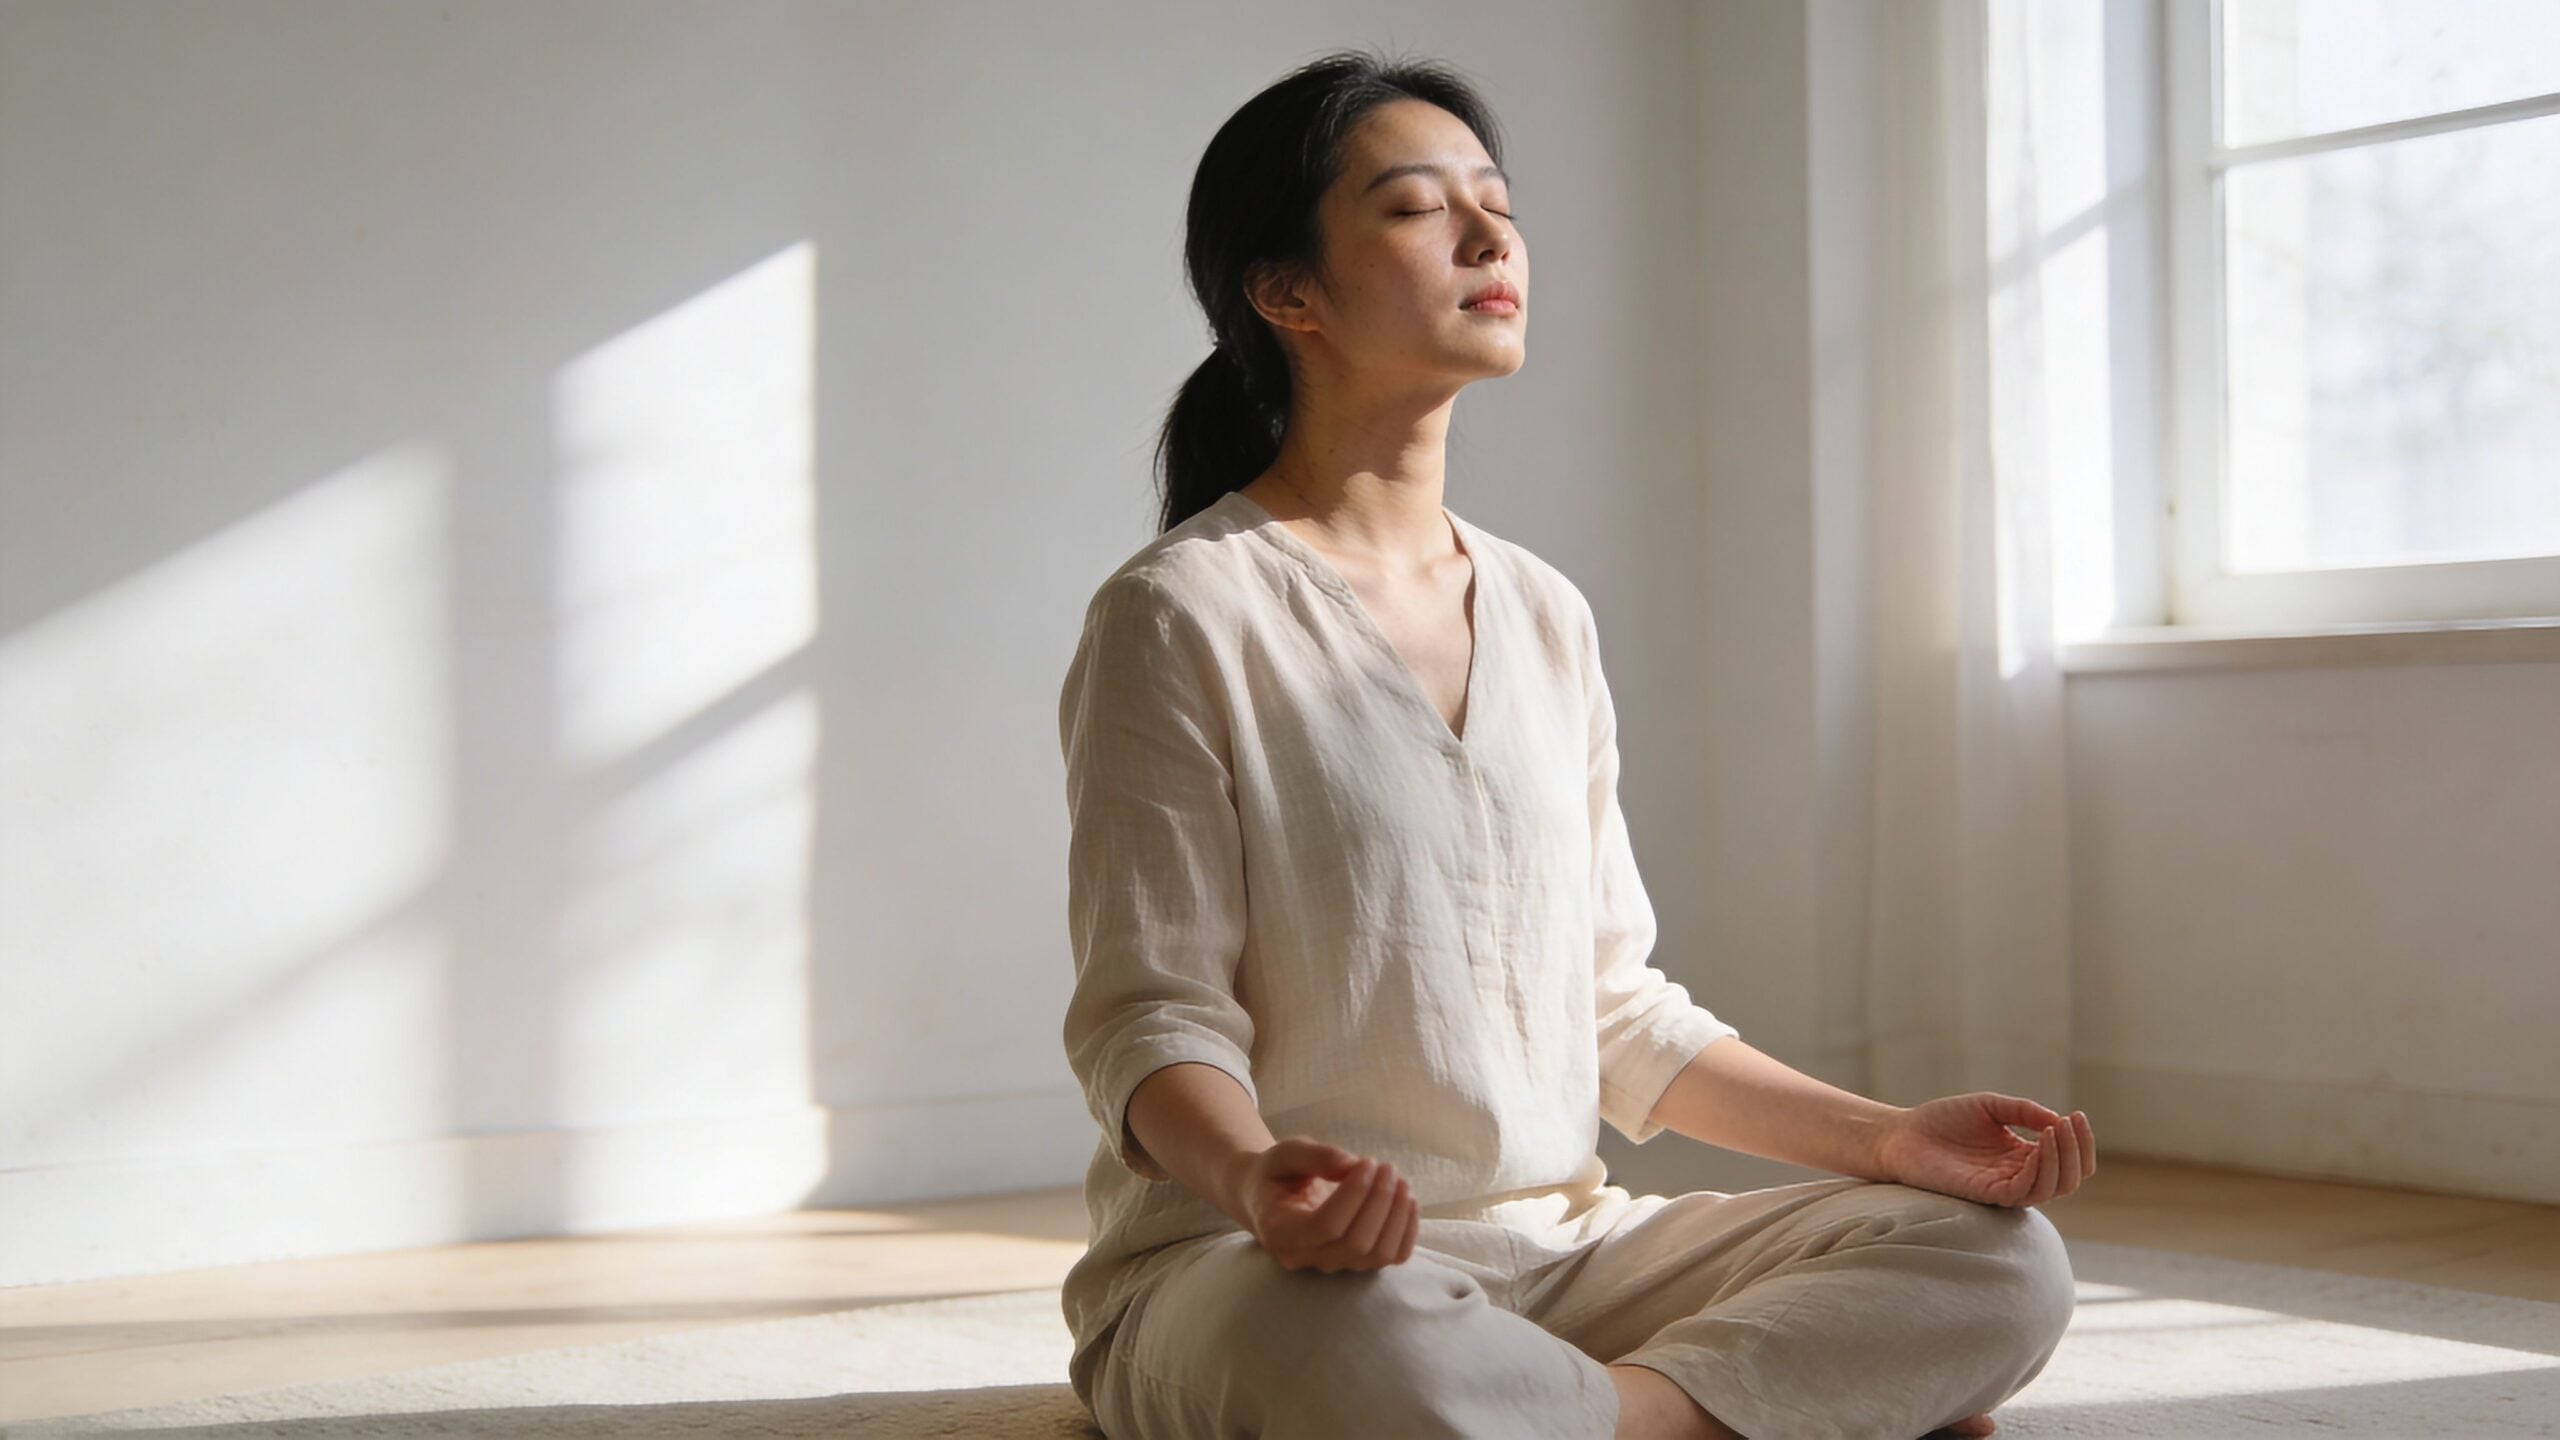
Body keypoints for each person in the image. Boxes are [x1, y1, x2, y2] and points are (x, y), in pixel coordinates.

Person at [1056, 48, 2091, 1440]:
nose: (1492, 239)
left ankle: (1608, 1419)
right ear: (1284, 290)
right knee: (1343, 1350)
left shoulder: (1543, 610)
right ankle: (1732, 1413)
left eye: (1499, 203)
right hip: (1269, 1275)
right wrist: (1252, 1183)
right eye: (1419, 209)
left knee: (1995, 1259)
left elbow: (1617, 1009)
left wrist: (1890, 1141)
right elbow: (1152, 1017)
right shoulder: (1179, 612)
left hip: (1568, 1258)